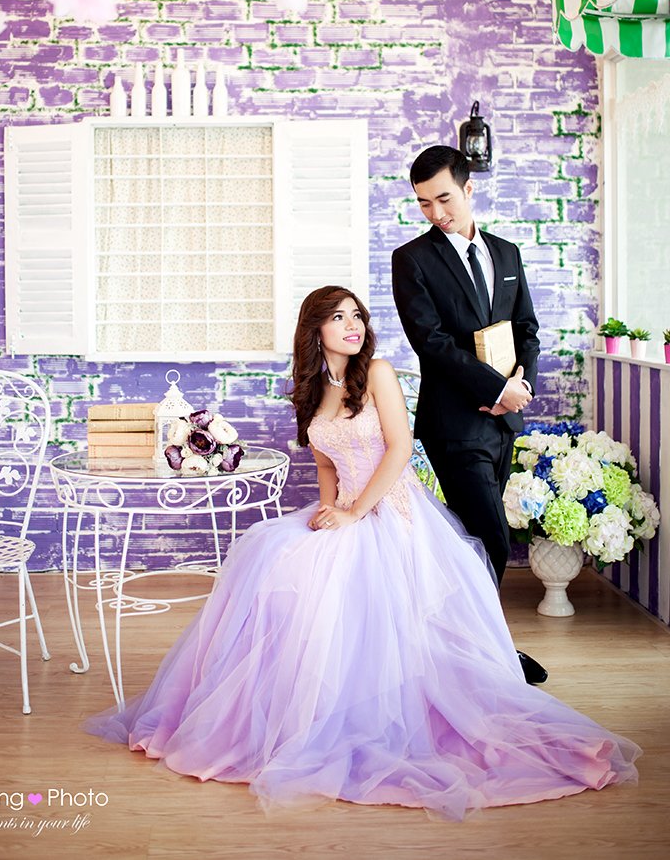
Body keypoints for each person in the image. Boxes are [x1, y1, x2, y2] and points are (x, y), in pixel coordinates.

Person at [82, 286, 639, 820]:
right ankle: (290, 710)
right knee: (271, 563)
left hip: (392, 510)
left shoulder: (378, 373)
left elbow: (399, 449)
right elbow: (325, 461)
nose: (353, 326)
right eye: (338, 317)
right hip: (346, 506)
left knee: (373, 603)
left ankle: (386, 708)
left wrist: (354, 513)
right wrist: (329, 511)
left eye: (357, 316)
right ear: (315, 330)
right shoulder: (312, 389)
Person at [391, 145, 544, 683]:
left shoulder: (507, 253)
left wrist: (518, 386)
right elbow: (430, 342)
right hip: (454, 422)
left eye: (444, 199)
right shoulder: (412, 259)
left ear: (468, 187)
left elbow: (526, 329)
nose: (436, 213)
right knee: (493, 537)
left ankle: (460, 646)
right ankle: (493, 655)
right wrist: (495, 388)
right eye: (424, 203)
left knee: (476, 540)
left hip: (502, 420)